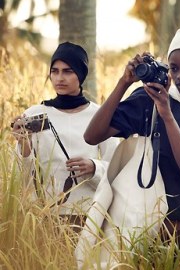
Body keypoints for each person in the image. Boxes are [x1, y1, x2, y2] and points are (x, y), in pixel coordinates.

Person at [83, 27, 180, 268]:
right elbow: (92, 136)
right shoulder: (149, 99)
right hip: (136, 228)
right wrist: (124, 83)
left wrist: (167, 116)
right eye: (174, 68)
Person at [10, 42, 119, 228]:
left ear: (81, 74)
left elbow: (118, 169)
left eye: (68, 71)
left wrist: (94, 167)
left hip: (88, 217)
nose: (60, 78)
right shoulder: (34, 115)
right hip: (42, 218)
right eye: (55, 71)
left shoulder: (100, 116)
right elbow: (19, 179)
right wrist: (24, 146)